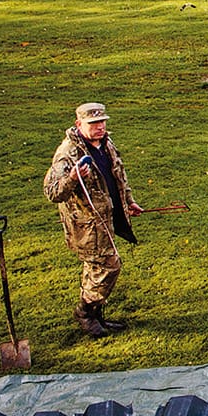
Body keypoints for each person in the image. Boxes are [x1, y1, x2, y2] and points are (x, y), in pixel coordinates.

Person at [43, 103, 143, 337]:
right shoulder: (67, 154)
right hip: (87, 224)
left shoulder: (106, 144)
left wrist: (128, 202)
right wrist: (72, 178)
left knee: (95, 268)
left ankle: (96, 315)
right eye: (93, 124)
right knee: (109, 265)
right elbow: (53, 193)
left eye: (102, 122)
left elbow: (119, 175)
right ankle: (85, 311)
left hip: (106, 218)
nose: (100, 127)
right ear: (79, 125)